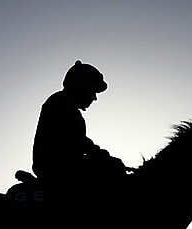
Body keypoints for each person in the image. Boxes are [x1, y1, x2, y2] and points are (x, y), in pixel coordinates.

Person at [32, 60, 128, 206]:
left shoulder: (63, 104)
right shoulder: (60, 103)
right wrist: (102, 156)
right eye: (93, 90)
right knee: (113, 171)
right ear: (82, 86)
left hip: (62, 167)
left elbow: (78, 140)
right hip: (59, 170)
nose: (95, 97)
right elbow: (75, 141)